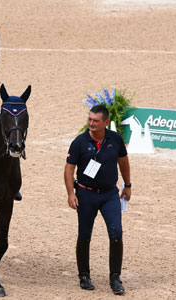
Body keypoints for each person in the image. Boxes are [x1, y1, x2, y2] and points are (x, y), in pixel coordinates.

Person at [64, 104, 131, 295]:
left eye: (95, 121)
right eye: (89, 119)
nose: (91, 123)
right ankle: (84, 276)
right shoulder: (79, 142)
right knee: (84, 235)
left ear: (106, 122)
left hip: (110, 195)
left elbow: (124, 163)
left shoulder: (115, 139)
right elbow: (69, 169)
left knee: (116, 233)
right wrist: (71, 193)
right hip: (86, 194)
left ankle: (115, 278)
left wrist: (128, 185)